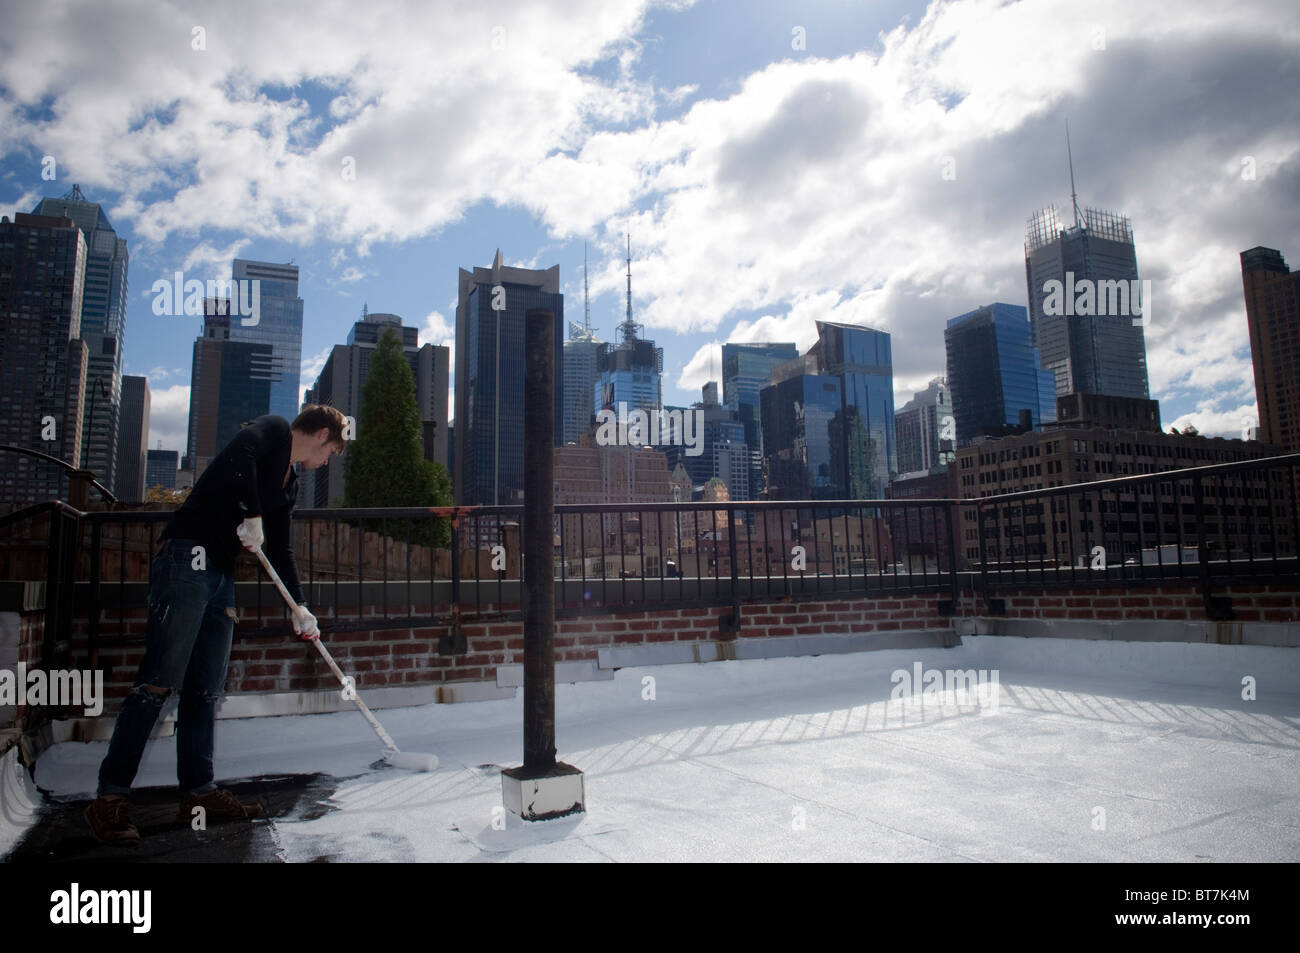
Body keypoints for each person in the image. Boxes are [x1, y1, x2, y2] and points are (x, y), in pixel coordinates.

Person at [84, 406, 346, 846]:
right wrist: (251, 511)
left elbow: (280, 550)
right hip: (187, 558)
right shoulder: (273, 431)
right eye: (333, 451)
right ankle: (109, 800)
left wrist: (299, 606)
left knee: (205, 689)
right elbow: (236, 456)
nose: (329, 460)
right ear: (322, 434)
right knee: (157, 684)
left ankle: (198, 795)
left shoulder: (290, 484)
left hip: (220, 574)